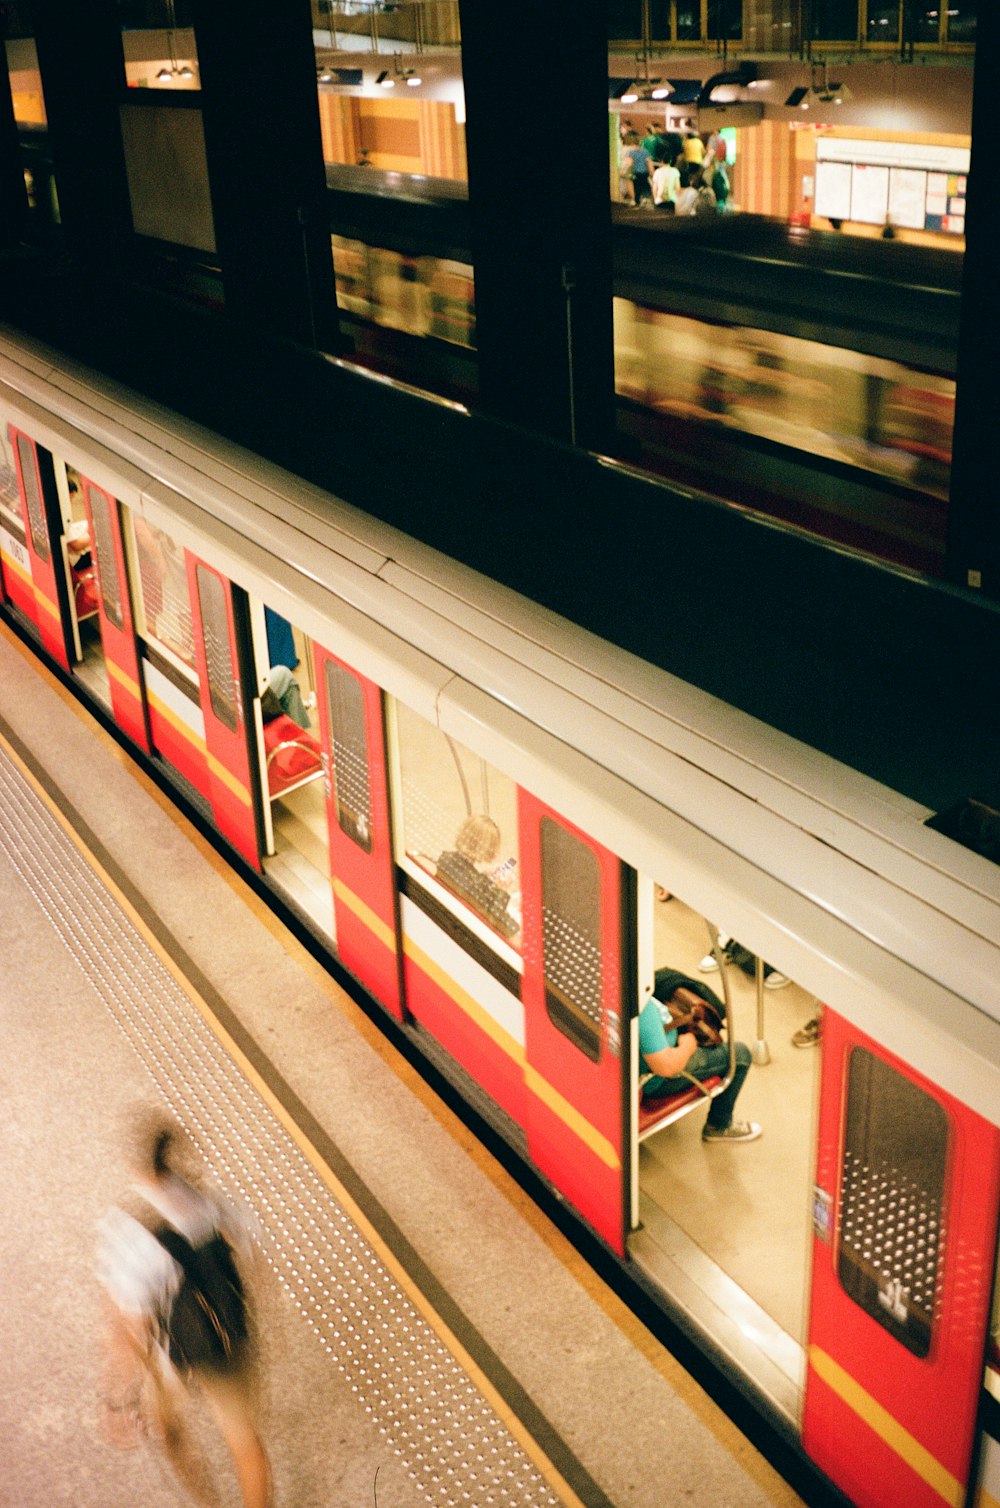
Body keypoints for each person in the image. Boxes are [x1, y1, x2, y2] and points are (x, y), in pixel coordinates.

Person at [97, 1111, 272, 1508]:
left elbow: (132, 1326)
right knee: (246, 1445)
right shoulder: (211, 1202)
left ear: (136, 1167)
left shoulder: (131, 1231)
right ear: (172, 1161)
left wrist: (119, 1395)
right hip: (225, 1344)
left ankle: (206, 1500)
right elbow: (254, 1253)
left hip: (171, 1354)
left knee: (166, 1427)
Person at [639, 969, 760, 1143]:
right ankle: (719, 1125)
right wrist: (687, 1046)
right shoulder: (642, 1008)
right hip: (656, 1079)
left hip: (648, 1056)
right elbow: (666, 1067)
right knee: (740, 1054)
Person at [436, 814, 519, 939]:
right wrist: (501, 890)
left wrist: (484, 875)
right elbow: (492, 920)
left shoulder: (446, 859)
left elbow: (468, 882)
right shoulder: (474, 885)